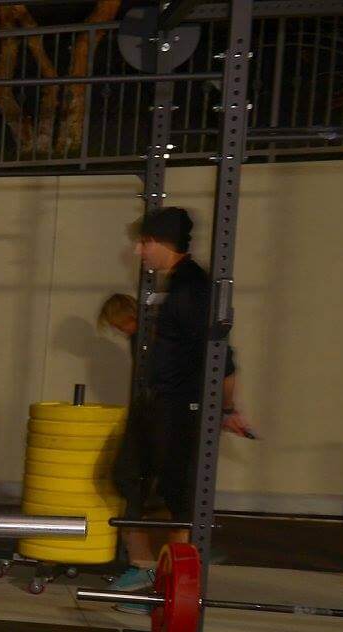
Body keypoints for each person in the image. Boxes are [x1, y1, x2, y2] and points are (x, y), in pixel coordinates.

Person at [103, 208, 252, 604]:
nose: (138, 251)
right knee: (127, 477)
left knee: (178, 494)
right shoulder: (174, 285)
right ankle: (144, 568)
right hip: (157, 404)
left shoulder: (192, 288)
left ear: (163, 242)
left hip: (179, 407)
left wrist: (225, 409)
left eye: (145, 242)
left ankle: (172, 585)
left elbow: (223, 358)